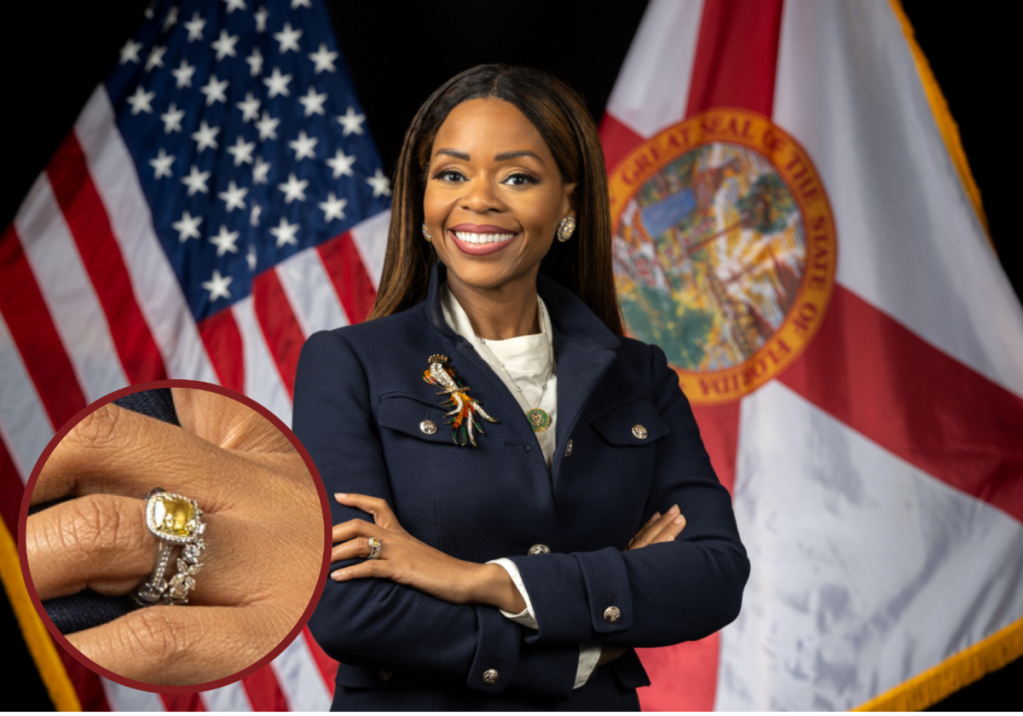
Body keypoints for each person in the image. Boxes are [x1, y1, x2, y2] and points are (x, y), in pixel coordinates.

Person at [293, 64, 749, 711]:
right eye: (451, 174)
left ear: (567, 200)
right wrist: (582, 649)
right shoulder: (347, 364)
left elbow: (712, 576)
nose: (478, 199)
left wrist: (483, 581)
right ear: (421, 203)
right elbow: (349, 607)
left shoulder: (638, 373)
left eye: (517, 177)